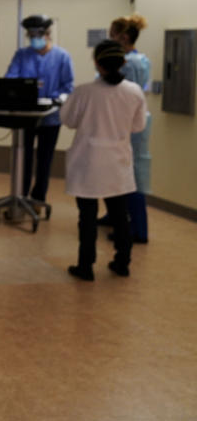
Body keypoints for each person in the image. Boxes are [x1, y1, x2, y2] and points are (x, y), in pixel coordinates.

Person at [60, 40, 146, 281]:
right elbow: (138, 126)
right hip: (117, 162)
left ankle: (85, 266)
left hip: (88, 162)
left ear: (97, 63)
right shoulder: (134, 91)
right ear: (122, 63)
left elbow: (68, 120)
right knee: (120, 215)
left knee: (87, 217)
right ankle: (122, 263)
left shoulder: (84, 92)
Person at [5, 14, 74, 203]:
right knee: (23, 158)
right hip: (25, 116)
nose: (34, 37)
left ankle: (38, 198)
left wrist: (57, 99)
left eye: (38, 33)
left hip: (51, 117)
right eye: (31, 34)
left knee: (44, 160)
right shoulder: (21, 55)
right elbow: (10, 78)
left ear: (48, 33)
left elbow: (68, 86)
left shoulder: (62, 57)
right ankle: (21, 196)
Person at [99, 14, 151, 244]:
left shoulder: (131, 64)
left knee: (131, 176)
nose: (110, 39)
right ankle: (114, 215)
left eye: (113, 35)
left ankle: (138, 230)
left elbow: (121, 94)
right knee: (116, 172)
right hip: (124, 123)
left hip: (128, 126)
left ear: (125, 36)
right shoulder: (137, 60)